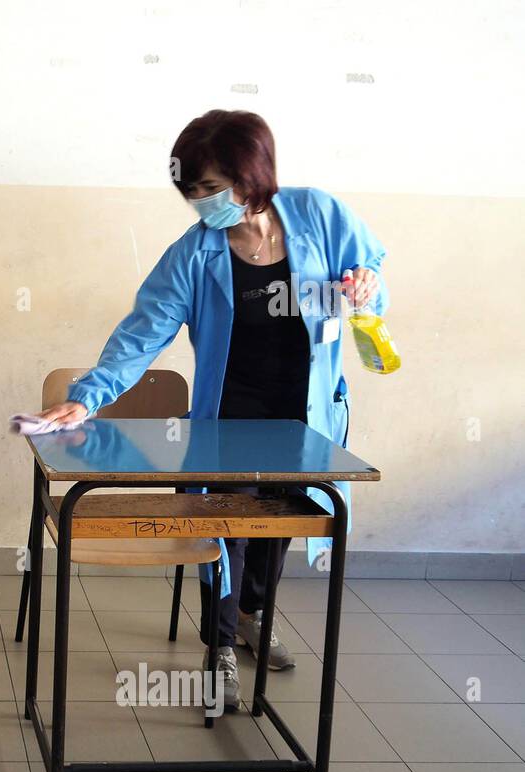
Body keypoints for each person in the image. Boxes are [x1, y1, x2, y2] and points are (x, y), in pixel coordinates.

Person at [36, 109, 388, 709]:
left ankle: (254, 614)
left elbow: (371, 270)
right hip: (230, 414)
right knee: (223, 525)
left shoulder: (320, 215)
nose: (202, 202)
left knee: (280, 524)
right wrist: (85, 397)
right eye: (192, 192)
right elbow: (142, 334)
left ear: (252, 175)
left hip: (304, 414)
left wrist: (365, 284)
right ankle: (220, 641)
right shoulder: (195, 254)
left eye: (211, 188)